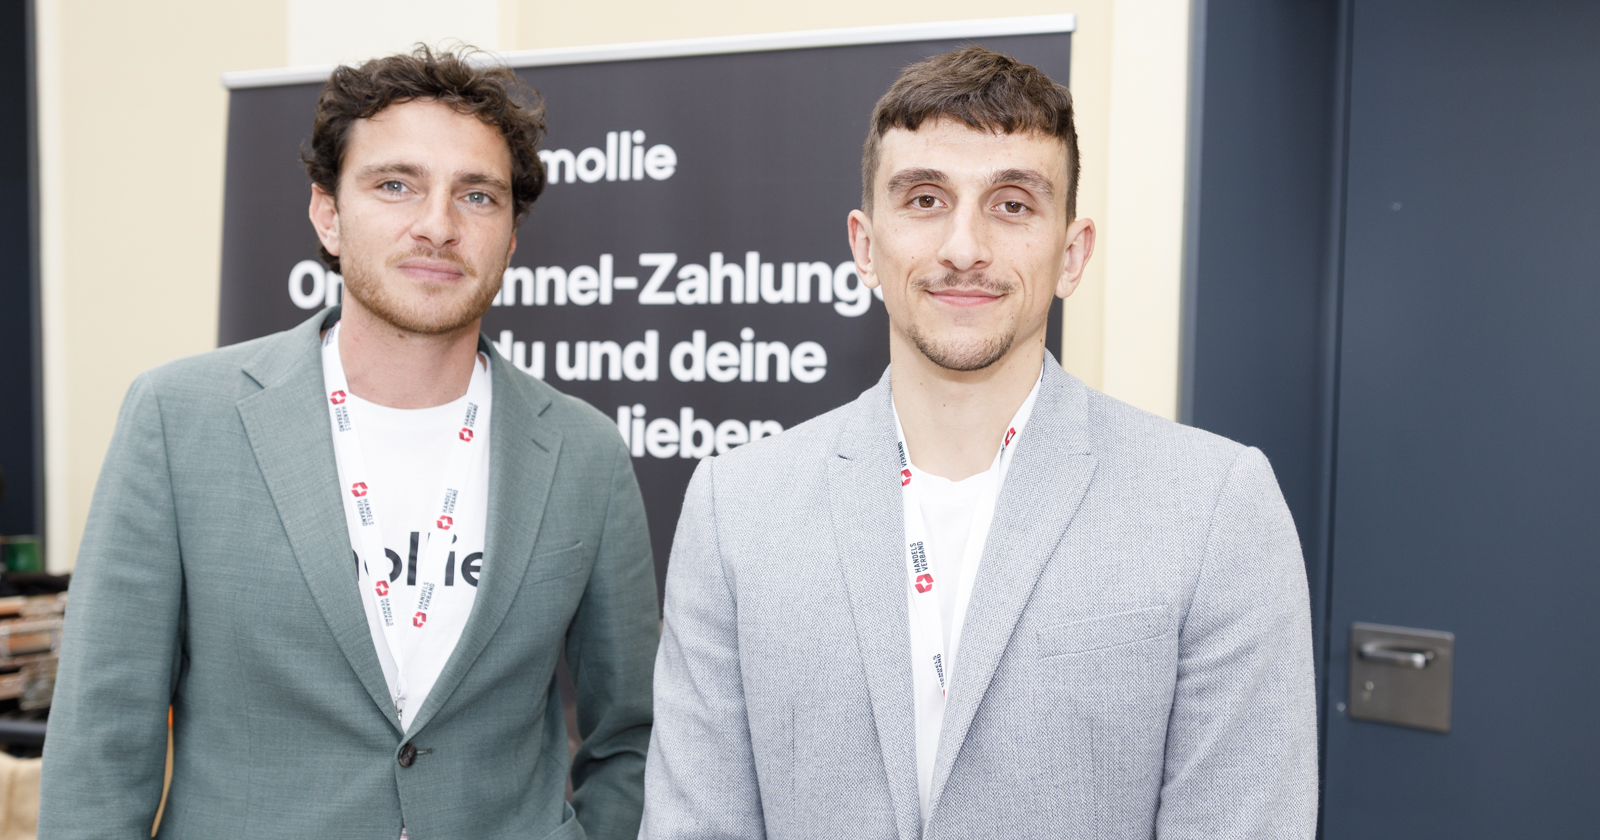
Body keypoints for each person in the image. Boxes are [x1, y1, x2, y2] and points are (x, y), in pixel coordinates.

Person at [641, 46, 1317, 839]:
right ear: (865, 246)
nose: (964, 248)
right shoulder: (737, 509)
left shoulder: (1215, 507)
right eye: (925, 199)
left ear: (1071, 255)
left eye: (1013, 204)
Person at [39, 47, 657, 839]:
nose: (438, 225)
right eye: (395, 185)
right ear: (327, 215)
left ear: (510, 238)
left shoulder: (584, 453)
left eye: (477, 195)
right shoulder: (178, 419)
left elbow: (633, 737)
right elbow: (99, 744)